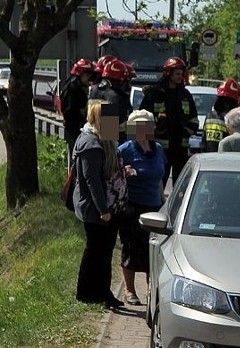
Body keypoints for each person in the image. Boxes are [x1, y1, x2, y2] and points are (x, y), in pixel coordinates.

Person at [72, 100, 126, 309]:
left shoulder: (105, 140)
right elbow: (91, 180)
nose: (116, 124)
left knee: (102, 250)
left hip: (107, 206)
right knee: (97, 251)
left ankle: (95, 292)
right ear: (99, 120)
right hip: (96, 209)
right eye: (111, 119)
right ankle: (93, 292)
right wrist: (103, 210)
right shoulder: (91, 143)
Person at [118, 110, 167, 305]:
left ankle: (150, 289)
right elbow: (111, 170)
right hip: (132, 207)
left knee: (152, 250)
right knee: (130, 248)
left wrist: (162, 198)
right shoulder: (125, 149)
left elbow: (160, 176)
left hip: (154, 207)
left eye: (147, 125)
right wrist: (124, 172)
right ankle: (129, 290)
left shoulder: (159, 150)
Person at [139, 57, 199, 189]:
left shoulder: (185, 94)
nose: (180, 77)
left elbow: (194, 118)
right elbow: (140, 120)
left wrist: (190, 129)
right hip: (159, 149)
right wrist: (154, 132)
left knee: (181, 187)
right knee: (157, 184)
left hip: (180, 149)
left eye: (181, 74)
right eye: (177, 74)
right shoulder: (154, 94)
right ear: (168, 73)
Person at [60, 58, 95, 163]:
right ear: (80, 74)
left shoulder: (84, 88)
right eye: (87, 75)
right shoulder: (72, 89)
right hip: (74, 129)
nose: (89, 79)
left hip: (80, 128)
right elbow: (68, 112)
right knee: (76, 158)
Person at [89, 58, 132, 142]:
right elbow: (109, 131)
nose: (127, 84)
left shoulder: (95, 89)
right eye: (125, 80)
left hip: (92, 136)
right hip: (113, 142)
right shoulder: (112, 96)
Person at [203, 78, 240, 152]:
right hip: (224, 160)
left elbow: (203, 141)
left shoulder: (209, 116)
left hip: (208, 159)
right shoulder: (232, 118)